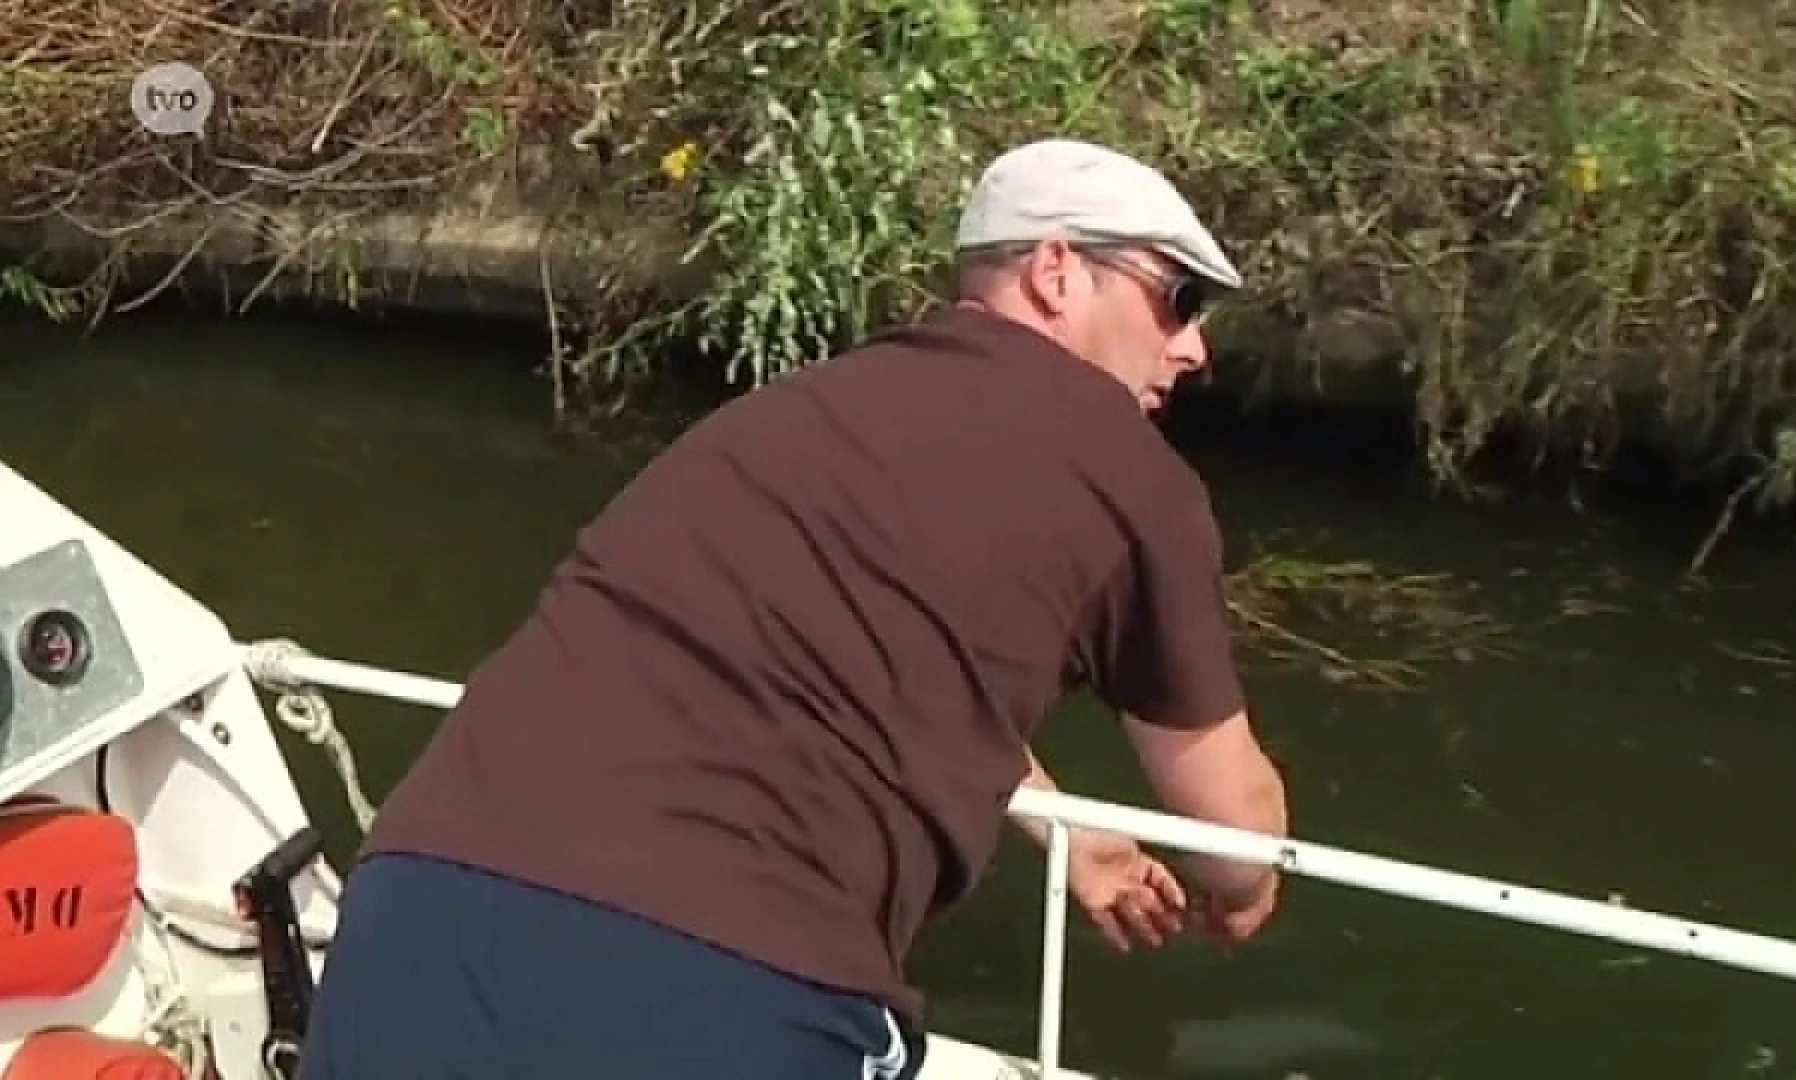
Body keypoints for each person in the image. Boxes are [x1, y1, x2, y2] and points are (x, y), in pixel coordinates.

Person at [297, 138, 1291, 1080]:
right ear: (1059, 271)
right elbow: (1231, 826)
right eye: (1178, 298)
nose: (1194, 348)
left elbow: (878, 666)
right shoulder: (1131, 476)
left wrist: (1080, 839)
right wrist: (1247, 891)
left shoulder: (796, 411)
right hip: (720, 972)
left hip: (420, 904)